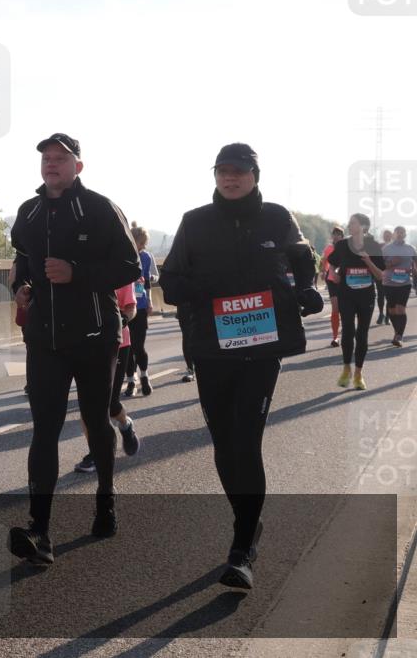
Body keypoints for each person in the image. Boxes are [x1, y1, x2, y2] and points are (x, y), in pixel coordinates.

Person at [160, 143, 323, 589]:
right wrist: (199, 291)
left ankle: (242, 545)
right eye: (222, 171)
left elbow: (302, 258)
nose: (229, 178)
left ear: (254, 174)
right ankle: (249, 522)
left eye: (239, 171)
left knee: (246, 441)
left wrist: (306, 291)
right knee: (223, 443)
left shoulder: (276, 216)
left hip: (261, 346)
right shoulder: (195, 222)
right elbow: (170, 279)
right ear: (215, 176)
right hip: (211, 348)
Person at [8, 132, 140, 565]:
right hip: (44, 338)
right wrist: (20, 287)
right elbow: (23, 261)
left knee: (95, 419)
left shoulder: (100, 208)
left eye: (61, 158)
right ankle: (39, 531)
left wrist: (76, 272)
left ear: (77, 167)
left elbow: (128, 266)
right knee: (43, 429)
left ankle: (106, 496)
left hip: (94, 334)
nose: (51, 164)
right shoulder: (28, 211)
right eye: (46, 157)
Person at [75, 281, 141, 472]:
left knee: (109, 404)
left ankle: (125, 424)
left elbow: (131, 308)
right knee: (88, 404)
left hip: (117, 343)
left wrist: (121, 321)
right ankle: (96, 452)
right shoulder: (80, 268)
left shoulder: (120, 269)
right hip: (85, 344)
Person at [328, 213, 386, 388]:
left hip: (366, 295)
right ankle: (346, 369)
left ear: (363, 227)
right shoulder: (343, 245)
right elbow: (332, 262)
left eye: (353, 223)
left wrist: (368, 260)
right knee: (348, 331)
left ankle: (359, 374)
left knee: (362, 334)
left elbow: (380, 275)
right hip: (346, 294)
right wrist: (334, 275)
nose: (349, 225)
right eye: (350, 223)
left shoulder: (373, 246)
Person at [123, 223, 159, 397]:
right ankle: (130, 381)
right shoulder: (122, 256)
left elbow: (152, 279)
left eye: (145, 244)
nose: (143, 247)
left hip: (141, 305)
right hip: (124, 306)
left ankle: (144, 377)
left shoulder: (146, 257)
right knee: (127, 348)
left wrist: (150, 300)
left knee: (139, 345)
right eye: (141, 243)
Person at [381, 226, 417, 347]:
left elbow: (415, 262)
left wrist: (414, 270)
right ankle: (397, 332)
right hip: (389, 283)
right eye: (398, 232)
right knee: (391, 310)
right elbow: (380, 265)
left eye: (402, 232)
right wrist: (392, 263)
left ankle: (399, 336)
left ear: (405, 234)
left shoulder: (411, 249)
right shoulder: (386, 249)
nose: (400, 234)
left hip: (404, 283)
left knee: (400, 309)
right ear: (394, 234)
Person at [322, 227, 345, 347]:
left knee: (345, 309)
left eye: (338, 234)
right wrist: (322, 271)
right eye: (334, 234)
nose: (336, 236)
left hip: (345, 281)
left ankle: (346, 332)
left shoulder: (347, 247)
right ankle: (335, 337)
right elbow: (324, 260)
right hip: (332, 280)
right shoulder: (329, 248)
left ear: (342, 236)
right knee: (335, 309)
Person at [376, 229, 393, 325]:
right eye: (385, 235)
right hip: (380, 273)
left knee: (389, 296)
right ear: (383, 236)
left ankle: (388, 316)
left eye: (388, 235)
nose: (387, 236)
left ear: (391, 236)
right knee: (380, 295)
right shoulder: (379, 246)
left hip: (391, 274)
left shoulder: (394, 247)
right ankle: (381, 314)